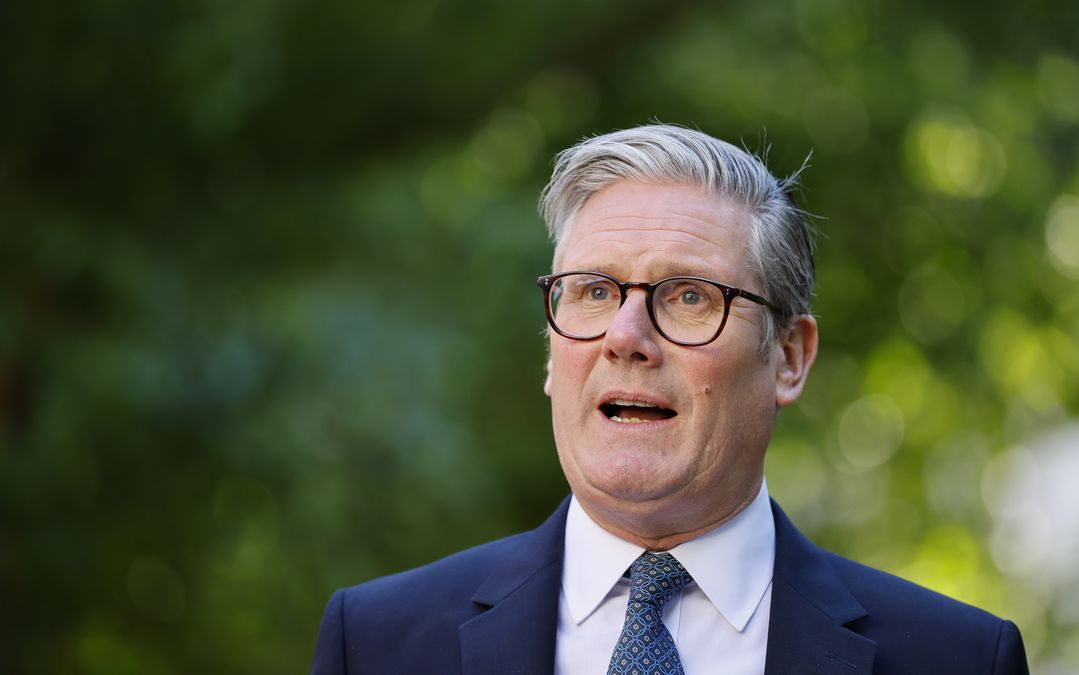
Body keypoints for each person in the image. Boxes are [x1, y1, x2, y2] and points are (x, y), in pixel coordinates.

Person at [310, 124, 1030, 674]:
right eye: (593, 291)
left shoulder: (958, 658)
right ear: (552, 354)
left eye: (689, 296)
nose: (626, 336)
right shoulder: (376, 642)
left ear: (788, 356)